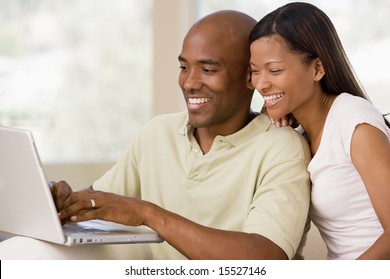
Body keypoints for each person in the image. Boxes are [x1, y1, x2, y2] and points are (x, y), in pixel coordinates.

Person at [51, 10, 311, 260]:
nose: (189, 83)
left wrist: (148, 214)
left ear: (250, 78)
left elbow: (265, 257)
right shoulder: (158, 133)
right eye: (184, 67)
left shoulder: (282, 147)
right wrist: (60, 202)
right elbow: (100, 200)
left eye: (208, 70)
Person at [249, 2, 390, 260]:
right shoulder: (300, 131)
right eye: (255, 71)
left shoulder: (354, 122)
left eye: (275, 70)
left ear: (317, 68)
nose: (260, 84)